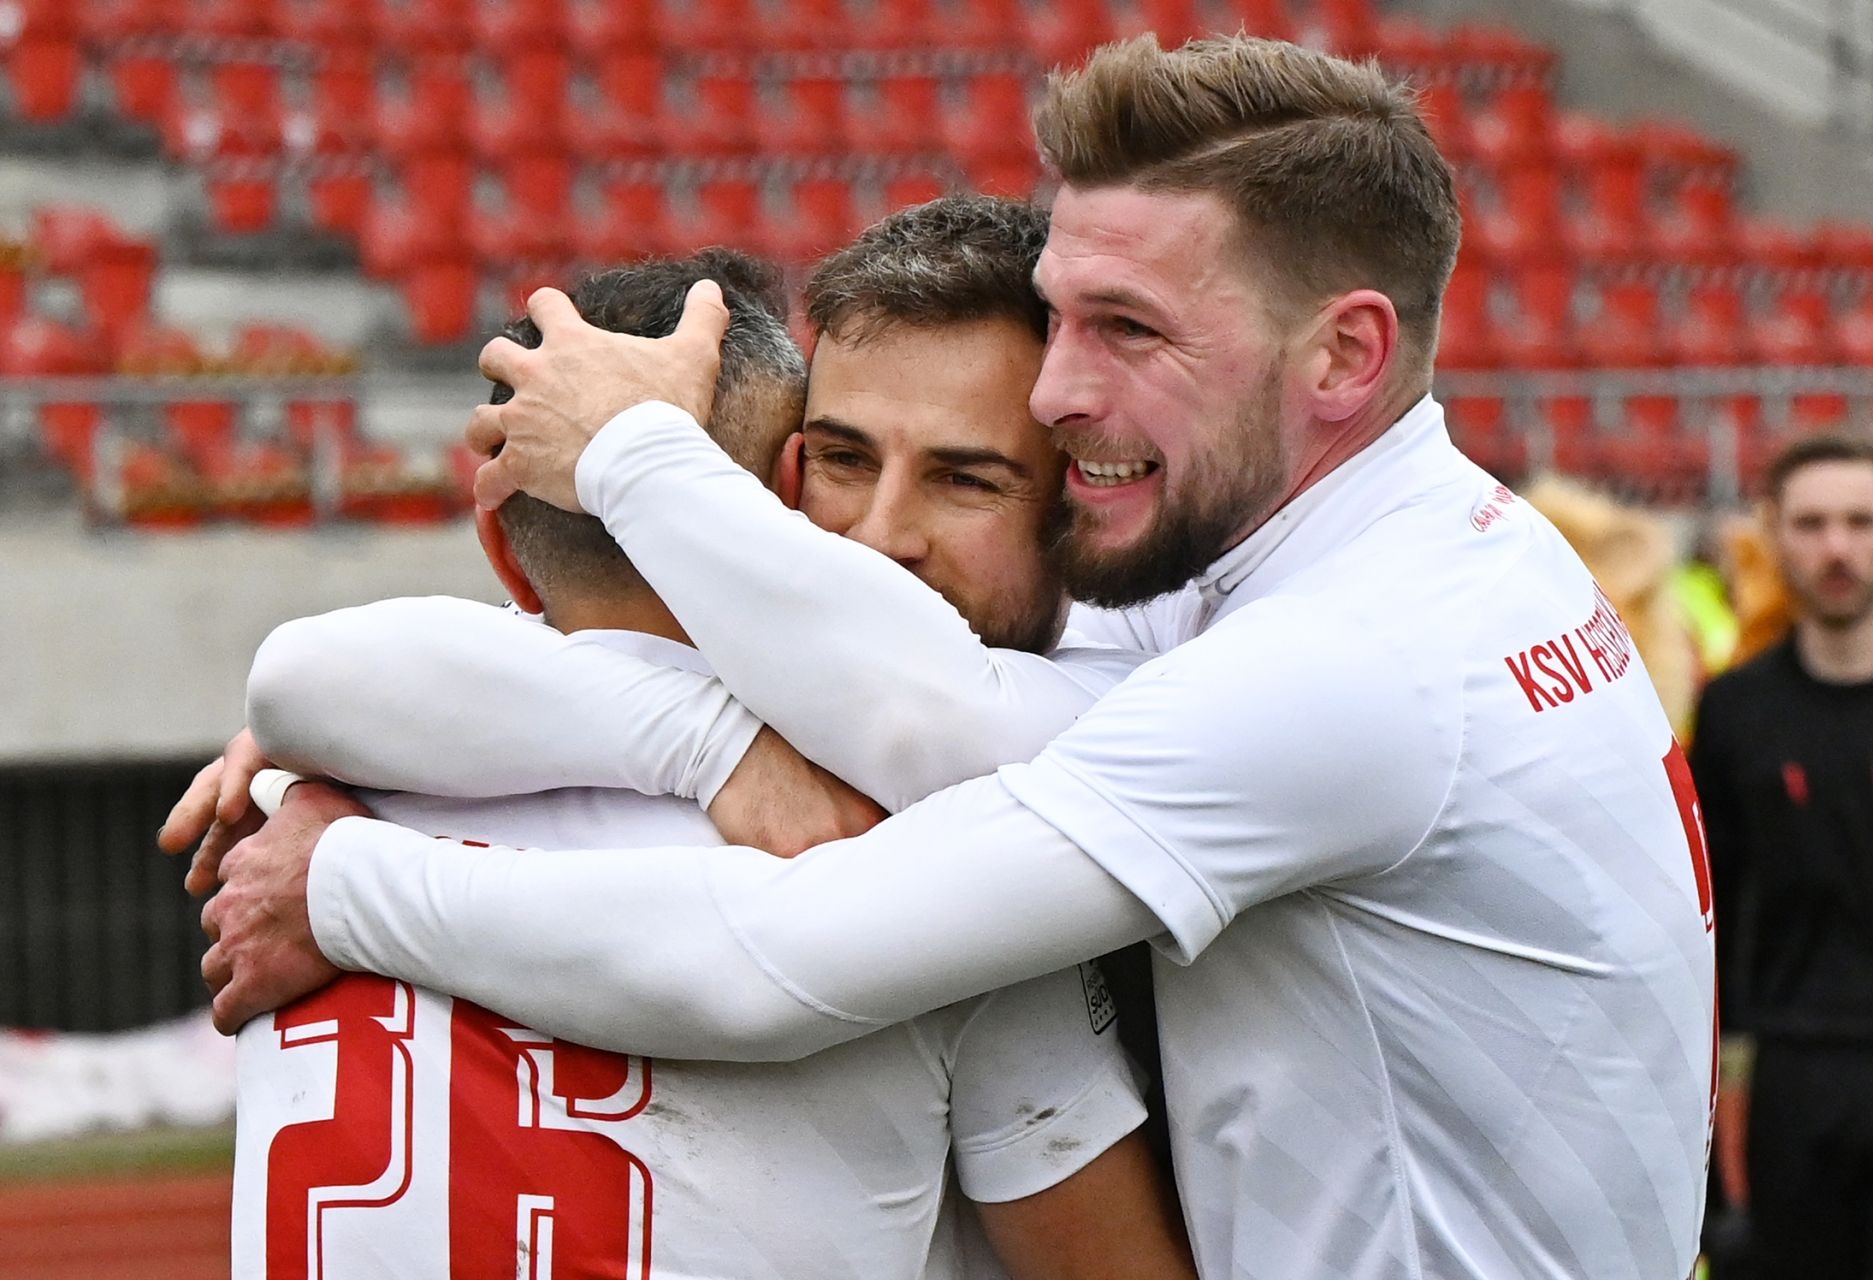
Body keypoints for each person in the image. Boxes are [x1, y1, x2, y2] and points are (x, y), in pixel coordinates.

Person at [197, 36, 1716, 1280]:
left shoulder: (1339, 664)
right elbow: (958, 699)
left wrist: (340, 878)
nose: (1064, 392)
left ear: (1344, 356)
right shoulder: (1363, 551)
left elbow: (786, 948)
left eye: (1128, 329)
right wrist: (588, 729)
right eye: (1060, 319)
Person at [224, 250, 1192, 1280]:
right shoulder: (943, 862)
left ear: (503, 551)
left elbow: (297, 679)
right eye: (846, 463)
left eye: (965, 479)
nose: (877, 536)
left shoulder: (298, 810)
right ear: (777, 509)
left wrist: (330, 862)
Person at [1689, 434, 1873, 1280]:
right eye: (1812, 523)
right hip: (1793, 1083)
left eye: (1860, 522)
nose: (1838, 549)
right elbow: (1709, 910)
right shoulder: (1738, 712)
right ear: (1772, 534)